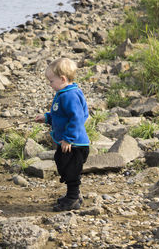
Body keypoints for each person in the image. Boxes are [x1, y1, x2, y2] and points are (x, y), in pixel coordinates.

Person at [35, 58, 90, 211]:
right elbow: (60, 115)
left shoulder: (70, 96)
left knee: (71, 170)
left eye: (51, 81)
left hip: (74, 144)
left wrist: (68, 139)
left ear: (63, 79)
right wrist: (47, 117)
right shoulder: (63, 93)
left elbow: (77, 118)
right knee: (62, 164)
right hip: (66, 142)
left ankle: (73, 198)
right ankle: (72, 195)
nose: (50, 84)